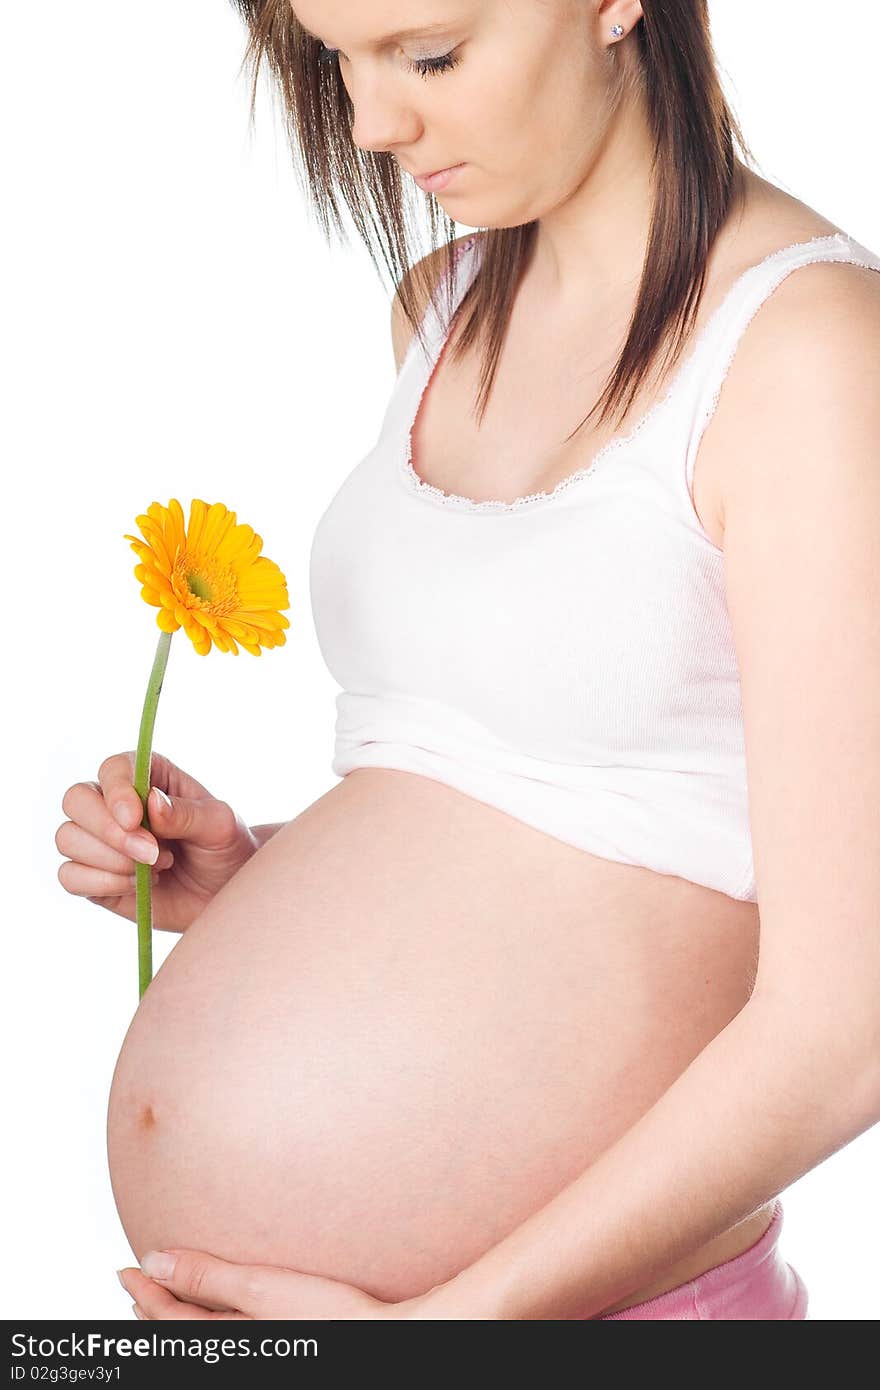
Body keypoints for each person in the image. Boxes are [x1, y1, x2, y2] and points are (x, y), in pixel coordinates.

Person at [58, 2, 880, 1319]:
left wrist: (461, 1324)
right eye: (339, 61)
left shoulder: (810, 354)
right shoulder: (440, 310)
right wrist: (255, 881)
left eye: (426, 54)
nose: (375, 125)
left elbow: (848, 1024)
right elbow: (553, 807)